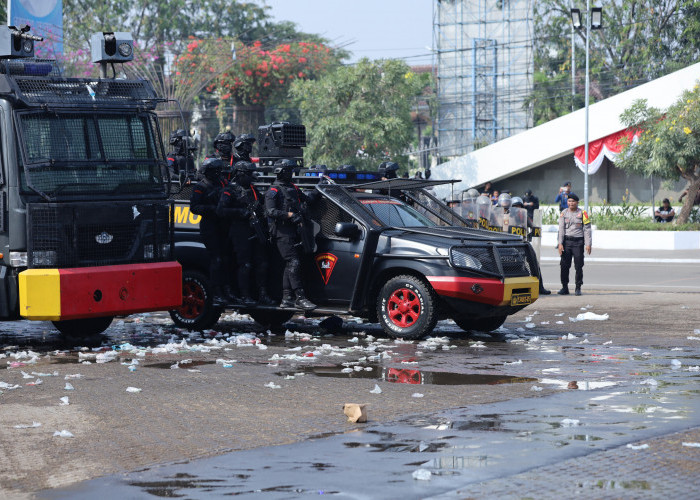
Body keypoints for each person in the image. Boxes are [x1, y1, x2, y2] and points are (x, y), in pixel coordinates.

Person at [217, 161, 275, 307]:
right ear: (240, 174)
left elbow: (263, 206)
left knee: (262, 263)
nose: (251, 177)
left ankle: (262, 294)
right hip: (240, 231)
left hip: (256, 230)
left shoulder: (253, 189)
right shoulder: (230, 191)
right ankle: (245, 295)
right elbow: (221, 210)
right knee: (245, 264)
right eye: (248, 174)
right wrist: (241, 213)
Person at [265, 159, 317, 310]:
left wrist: (319, 189)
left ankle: (287, 298)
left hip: (295, 232)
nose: (292, 173)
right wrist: (288, 215)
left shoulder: (293, 187)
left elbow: (308, 199)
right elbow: (270, 211)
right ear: (280, 172)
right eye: (289, 171)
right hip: (282, 233)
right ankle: (300, 298)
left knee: (291, 265)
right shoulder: (273, 191)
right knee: (294, 263)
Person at [190, 158, 228, 306]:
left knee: (225, 259)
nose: (219, 173)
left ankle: (226, 288)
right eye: (215, 170)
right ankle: (216, 291)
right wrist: (211, 208)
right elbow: (194, 207)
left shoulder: (223, 183)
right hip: (209, 226)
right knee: (216, 259)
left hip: (222, 225)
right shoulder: (201, 187)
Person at [512, 197, 551, 295]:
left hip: (522, 244)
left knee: (534, 264)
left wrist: (532, 233)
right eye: (515, 206)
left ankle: (540, 287)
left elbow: (533, 226)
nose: (517, 208)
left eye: (519, 206)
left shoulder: (524, 216)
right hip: (509, 245)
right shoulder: (506, 216)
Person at [557, 193, 592, 296]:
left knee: (579, 265)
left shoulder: (583, 213)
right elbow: (561, 229)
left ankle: (578, 287)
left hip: (578, 242)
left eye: (573, 201)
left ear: (577, 202)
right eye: (569, 201)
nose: (571, 203)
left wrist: (588, 244)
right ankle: (564, 287)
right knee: (564, 266)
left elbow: (587, 229)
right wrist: (560, 243)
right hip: (566, 242)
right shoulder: (563, 213)